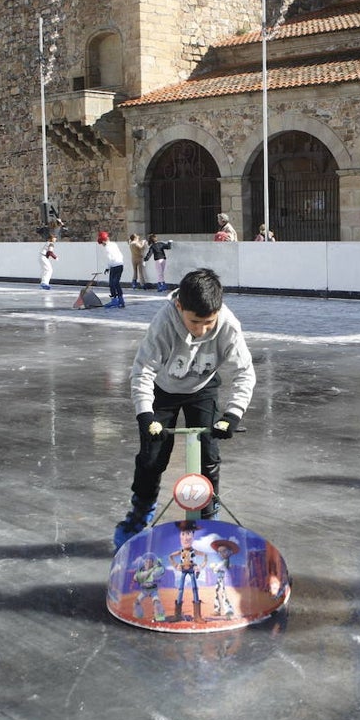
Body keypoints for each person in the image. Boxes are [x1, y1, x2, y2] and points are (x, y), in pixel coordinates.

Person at [114, 268, 256, 550]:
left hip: (203, 389)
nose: (202, 329)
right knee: (152, 457)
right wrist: (145, 414)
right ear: (180, 306)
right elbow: (142, 371)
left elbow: (245, 372)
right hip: (164, 390)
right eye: (195, 321)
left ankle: (208, 516)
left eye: (208, 322)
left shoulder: (227, 324)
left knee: (209, 454)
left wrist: (232, 414)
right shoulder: (164, 323)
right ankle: (140, 514)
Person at [98, 231, 126, 308]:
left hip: (114, 266)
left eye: (101, 243)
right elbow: (120, 255)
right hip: (120, 265)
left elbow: (110, 258)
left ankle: (114, 300)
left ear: (103, 241)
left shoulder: (107, 248)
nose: (102, 245)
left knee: (111, 284)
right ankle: (121, 300)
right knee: (116, 283)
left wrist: (107, 268)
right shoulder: (114, 244)